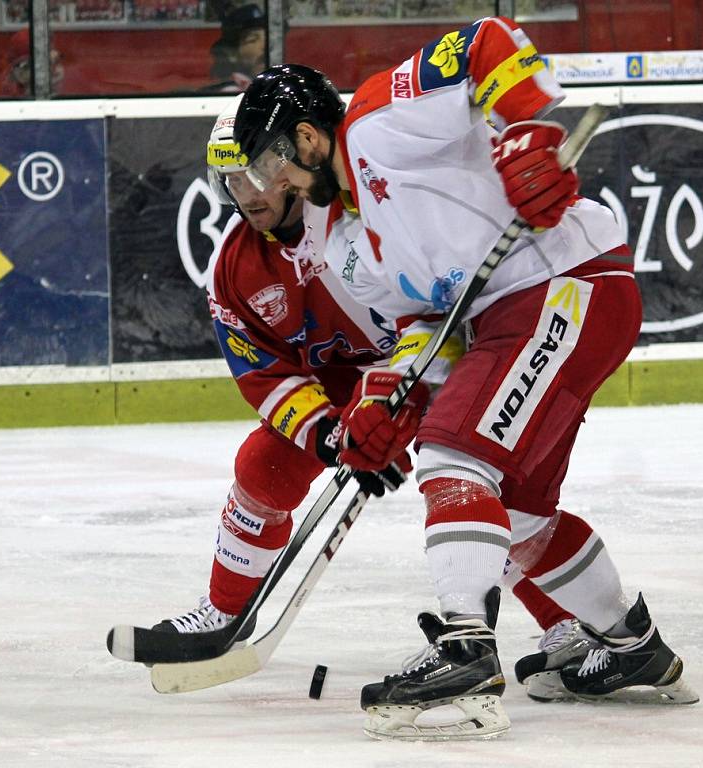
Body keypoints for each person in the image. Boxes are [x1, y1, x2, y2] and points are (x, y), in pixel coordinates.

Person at [230, 19, 698, 740]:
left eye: (271, 164)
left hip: (564, 279)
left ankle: (464, 649)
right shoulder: (339, 242)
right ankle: (633, 648)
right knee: (518, 517)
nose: (271, 185)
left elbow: (488, 42)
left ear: (306, 137)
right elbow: (425, 326)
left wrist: (524, 135)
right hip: (517, 311)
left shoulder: (379, 120)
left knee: (454, 456)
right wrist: (387, 400)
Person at [152, 98, 586, 698]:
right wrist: (334, 436)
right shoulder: (235, 268)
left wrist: (396, 406)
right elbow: (265, 375)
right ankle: (227, 610)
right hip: (354, 393)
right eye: (229, 180)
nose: (245, 192)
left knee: (485, 489)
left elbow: (438, 310)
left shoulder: (350, 215)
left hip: (434, 366)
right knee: (262, 463)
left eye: (253, 173)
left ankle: (568, 626)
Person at [205, 3, 267, 93]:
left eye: (269, 39)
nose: (265, 46)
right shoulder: (229, 94)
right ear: (232, 54)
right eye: (252, 40)